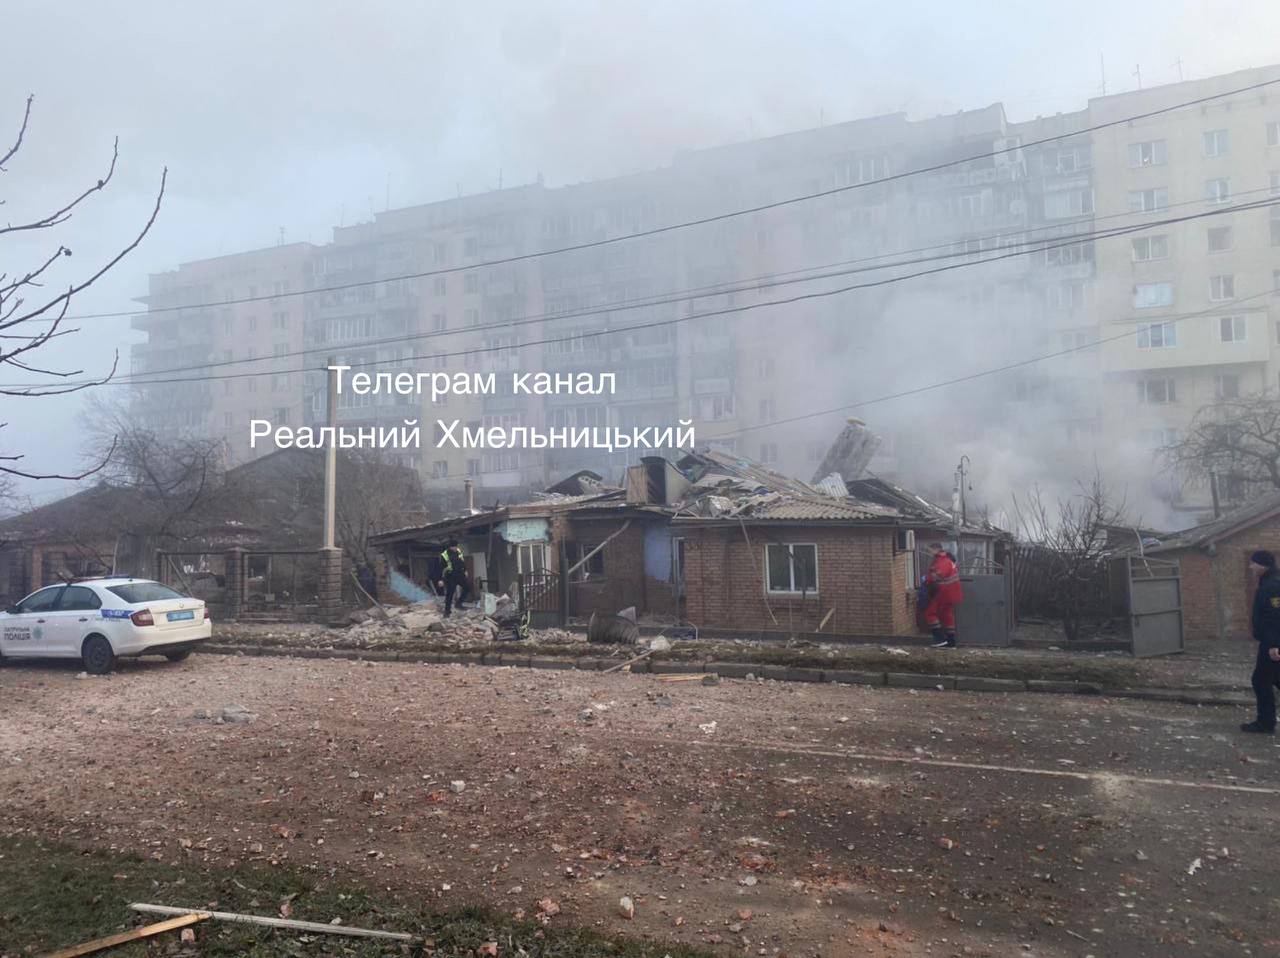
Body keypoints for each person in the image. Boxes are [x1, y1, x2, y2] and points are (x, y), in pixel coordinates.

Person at [1242, 549, 1280, 734]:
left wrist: (1273, 644)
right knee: (1274, 678)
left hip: (1272, 643)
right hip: (1271, 641)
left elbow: (1275, 617)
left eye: (1253, 563)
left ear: (1263, 565)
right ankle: (1266, 721)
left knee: (1260, 680)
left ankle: (1265, 723)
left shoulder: (1273, 586)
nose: (1251, 567)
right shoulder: (1269, 582)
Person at [923, 542, 963, 649]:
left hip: (942, 592)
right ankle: (951, 642)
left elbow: (938, 575)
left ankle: (940, 639)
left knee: (929, 613)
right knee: (947, 616)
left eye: (930, 550)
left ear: (936, 549)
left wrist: (927, 579)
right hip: (950, 593)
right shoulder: (947, 560)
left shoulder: (942, 560)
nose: (929, 552)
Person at [437, 539, 471, 617]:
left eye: (456, 546)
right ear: (450, 547)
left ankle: (459, 603)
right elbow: (440, 568)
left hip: (460, 574)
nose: (456, 548)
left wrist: (465, 570)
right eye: (454, 547)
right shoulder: (444, 555)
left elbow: (462, 561)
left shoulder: (458, 551)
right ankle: (447, 612)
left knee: (467, 588)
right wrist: (441, 579)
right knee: (450, 594)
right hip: (450, 576)